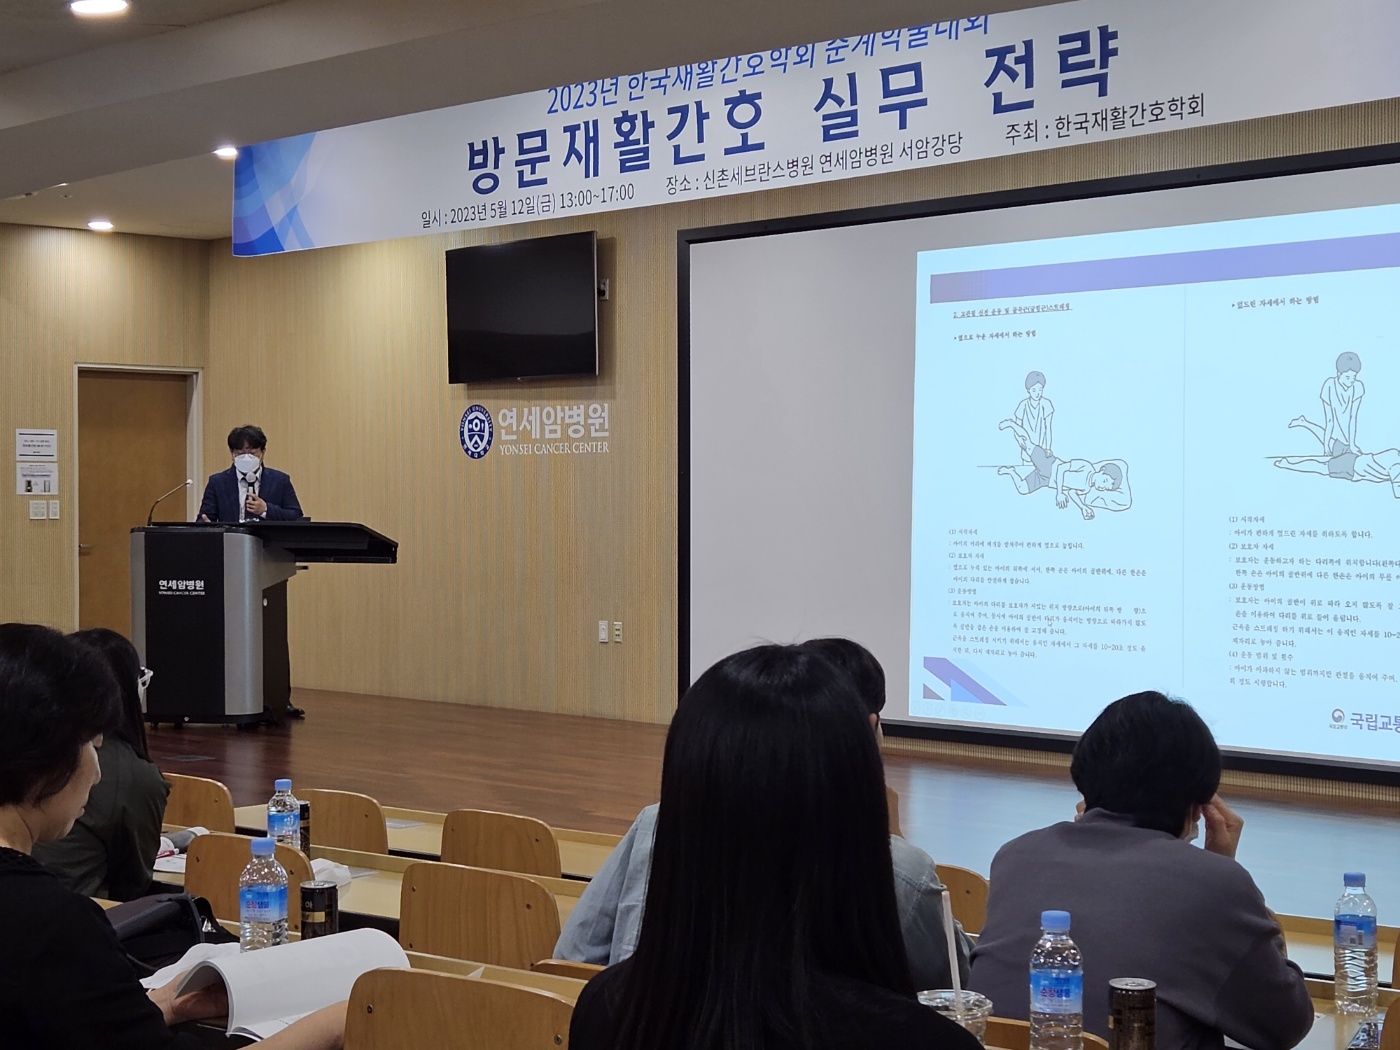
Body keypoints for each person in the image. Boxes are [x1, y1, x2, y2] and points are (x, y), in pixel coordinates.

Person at [567, 642, 982, 1050]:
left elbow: (576, 947)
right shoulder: (927, 1039)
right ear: (861, 794)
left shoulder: (607, 1010)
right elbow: (955, 977)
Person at [0, 622, 345, 1049]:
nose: (98, 772)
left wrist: (162, 1004)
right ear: (45, 755)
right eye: (92, 744)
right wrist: (338, 1020)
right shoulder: (52, 926)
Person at [968, 691, 1313, 1050]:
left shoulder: (1015, 854)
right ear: (1200, 807)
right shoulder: (1216, 881)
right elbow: (1285, 1025)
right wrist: (1223, 868)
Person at [32, 628, 169, 900]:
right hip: (74, 909)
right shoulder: (128, 773)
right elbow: (133, 883)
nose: (95, 775)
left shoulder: (34, 743)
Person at [996, 418, 1131, 518]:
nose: (1102, 487)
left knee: (1022, 489)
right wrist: (1059, 493)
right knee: (1026, 445)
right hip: (1049, 465)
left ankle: (1011, 471)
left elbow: (1072, 493)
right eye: (1105, 481)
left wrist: (1083, 507)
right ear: (1102, 470)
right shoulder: (1086, 467)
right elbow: (1061, 468)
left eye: (1106, 488)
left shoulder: (1087, 488)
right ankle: (1012, 424)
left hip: (1046, 481)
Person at [198, 424, 303, 523]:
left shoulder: (280, 480)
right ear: (232, 453)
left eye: (252, 453)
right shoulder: (218, 482)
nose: (246, 458)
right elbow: (204, 519)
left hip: (268, 536)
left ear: (263, 452)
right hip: (231, 536)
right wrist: (207, 527)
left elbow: (296, 516)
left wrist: (265, 509)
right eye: (240, 453)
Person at [1012, 370, 1054, 463]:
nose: (1037, 393)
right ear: (1028, 390)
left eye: (1040, 389)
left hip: (1042, 452)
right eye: (1034, 390)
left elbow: (1048, 429)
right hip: (1026, 452)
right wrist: (1020, 441)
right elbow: (1016, 428)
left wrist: (1048, 448)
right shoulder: (1023, 405)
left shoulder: (1046, 404)